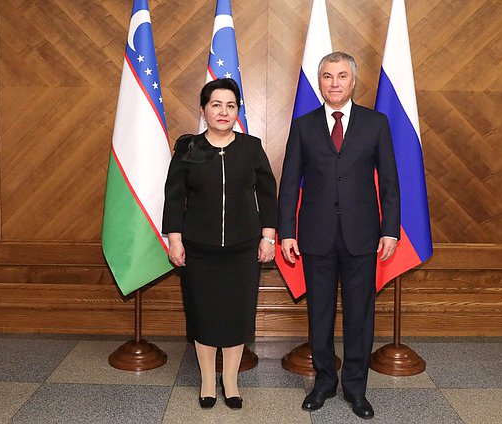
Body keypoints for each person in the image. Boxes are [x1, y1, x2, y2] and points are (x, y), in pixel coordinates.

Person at [278, 52, 400, 420]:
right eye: (327, 76)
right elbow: (288, 184)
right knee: (320, 314)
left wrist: (390, 229)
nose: (334, 82)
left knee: (360, 315)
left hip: (363, 236)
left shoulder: (376, 123)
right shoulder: (303, 126)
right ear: (319, 82)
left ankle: (356, 389)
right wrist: (286, 231)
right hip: (315, 236)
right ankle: (324, 382)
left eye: (341, 76)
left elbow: (391, 183)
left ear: (353, 82)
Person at [163, 78, 277, 410]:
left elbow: (268, 196)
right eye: (216, 105)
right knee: (204, 315)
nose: (223, 111)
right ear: (204, 110)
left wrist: (268, 237)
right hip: (199, 248)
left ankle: (231, 381)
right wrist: (175, 240)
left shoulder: (251, 147)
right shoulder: (189, 149)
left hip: (243, 248)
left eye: (230, 105)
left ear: (237, 110)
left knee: (237, 315)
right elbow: (174, 198)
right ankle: (208, 381)